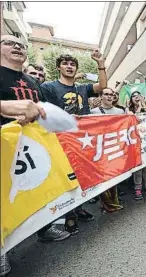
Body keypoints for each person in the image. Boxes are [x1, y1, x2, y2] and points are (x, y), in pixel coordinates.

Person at [0, 36, 71, 247]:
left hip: (31, 148)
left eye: (21, 45)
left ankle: (44, 229)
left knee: (35, 190)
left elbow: (42, 111)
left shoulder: (33, 82)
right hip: (4, 146)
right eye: (9, 43)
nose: (17, 47)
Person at [41, 51, 107, 234]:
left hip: (81, 141)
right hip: (60, 141)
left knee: (81, 176)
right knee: (66, 179)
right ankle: (68, 215)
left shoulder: (82, 88)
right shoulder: (48, 87)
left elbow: (102, 85)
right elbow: (44, 113)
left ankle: (78, 208)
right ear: (58, 67)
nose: (69, 66)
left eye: (72, 64)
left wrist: (100, 63)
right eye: (65, 63)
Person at [90, 88, 125, 211]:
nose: (110, 96)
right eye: (106, 94)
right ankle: (107, 204)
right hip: (100, 149)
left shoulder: (120, 112)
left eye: (112, 94)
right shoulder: (93, 113)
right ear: (100, 97)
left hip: (115, 147)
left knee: (114, 175)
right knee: (103, 177)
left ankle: (114, 200)